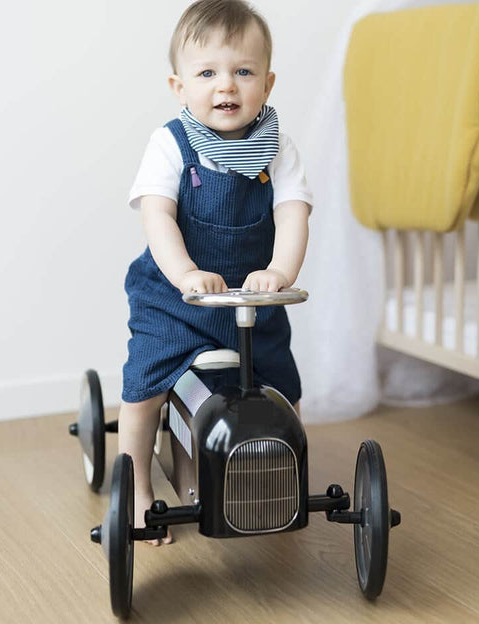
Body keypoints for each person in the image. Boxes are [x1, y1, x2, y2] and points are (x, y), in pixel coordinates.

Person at [119, 0, 313, 545]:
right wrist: (185, 274)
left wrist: (279, 270)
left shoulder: (278, 150)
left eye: (243, 71)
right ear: (180, 86)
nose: (226, 85)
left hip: (250, 301)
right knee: (145, 387)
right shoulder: (171, 144)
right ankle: (133, 480)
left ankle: (275, 472)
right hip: (175, 297)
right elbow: (158, 216)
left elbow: (294, 215)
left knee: (283, 389)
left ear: (267, 83)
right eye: (207, 73)